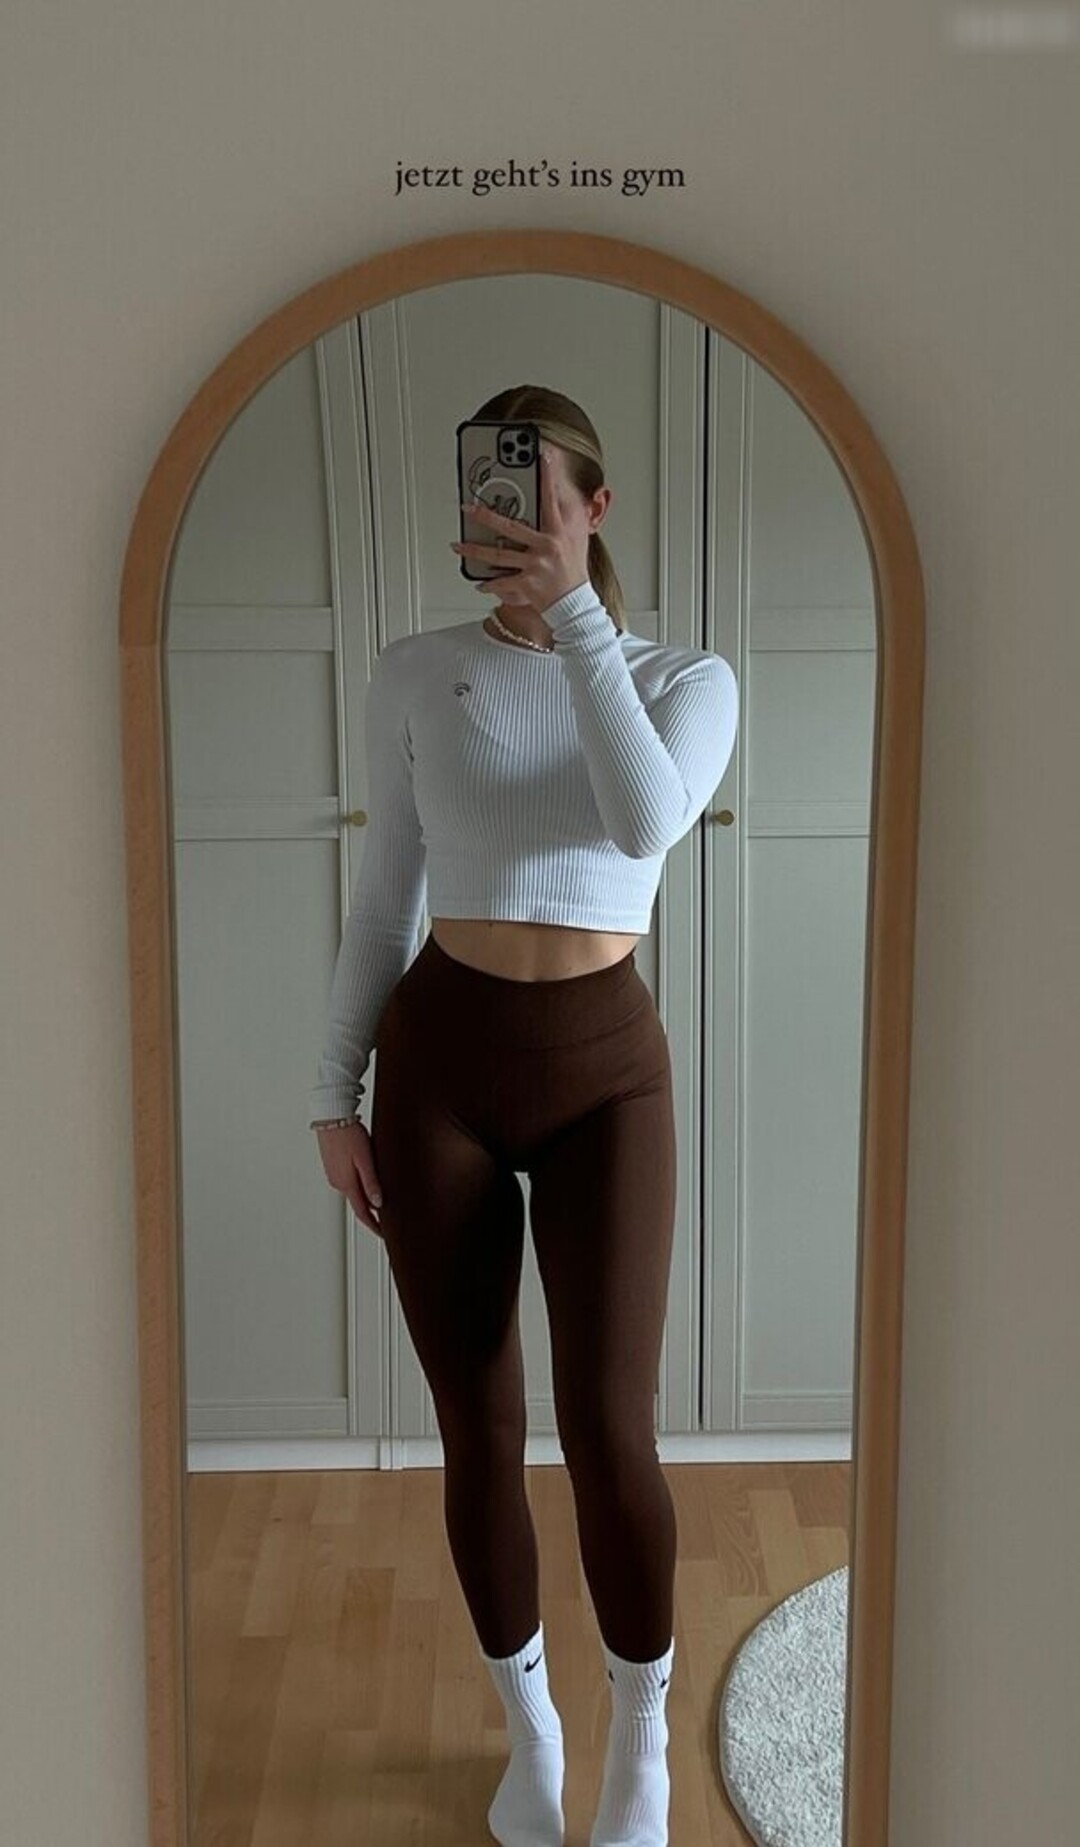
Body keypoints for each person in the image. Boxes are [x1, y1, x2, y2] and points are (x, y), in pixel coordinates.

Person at [310, 384, 739, 1847]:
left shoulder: (686, 678)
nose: (505, 520)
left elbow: (643, 821)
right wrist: (332, 1094)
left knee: (611, 1425)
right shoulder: (415, 670)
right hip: (439, 1065)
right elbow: (385, 898)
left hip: (606, 1073)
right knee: (476, 1425)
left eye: (535, 495)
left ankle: (639, 1737)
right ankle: (532, 1724)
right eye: (487, 495)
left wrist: (576, 622)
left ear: (592, 506)